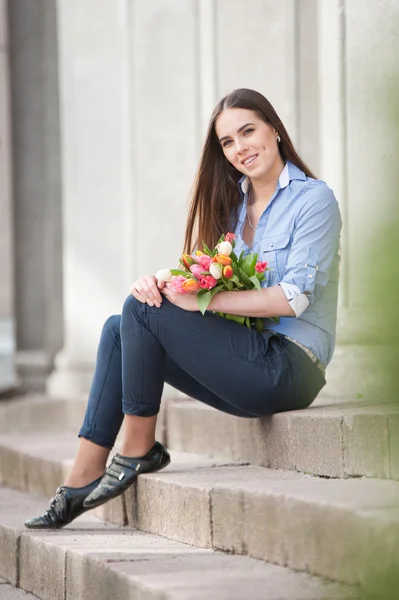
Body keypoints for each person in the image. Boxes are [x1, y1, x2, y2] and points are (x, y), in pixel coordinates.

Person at [25, 88, 341, 529]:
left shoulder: (314, 200)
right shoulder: (235, 209)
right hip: (248, 358)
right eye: (228, 142)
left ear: (274, 129)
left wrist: (199, 299)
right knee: (124, 321)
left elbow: (293, 298)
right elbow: (206, 281)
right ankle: (83, 473)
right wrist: (161, 281)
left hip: (289, 368)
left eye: (248, 131)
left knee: (141, 314)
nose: (240, 148)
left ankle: (138, 450)